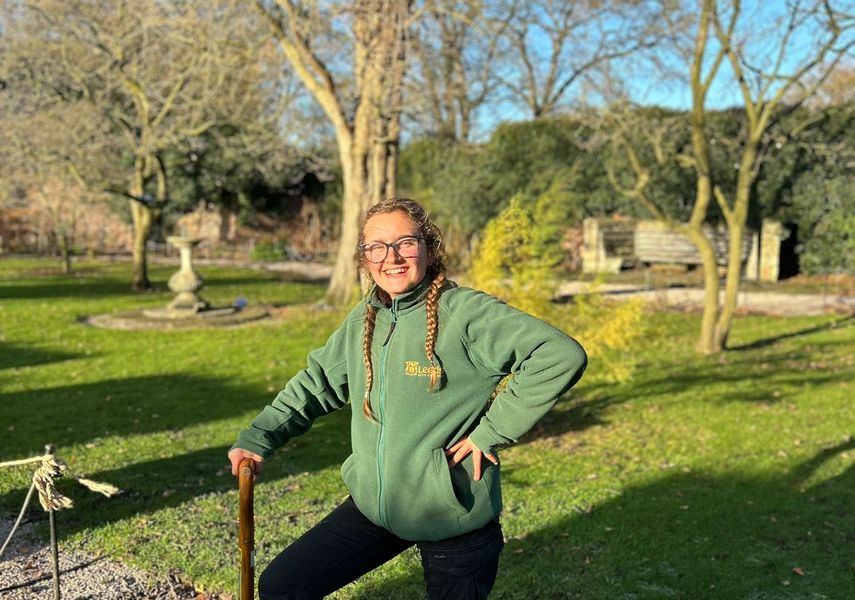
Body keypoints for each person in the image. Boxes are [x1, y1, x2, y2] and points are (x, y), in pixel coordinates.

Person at [228, 197, 587, 599]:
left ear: (429, 248)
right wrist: (260, 437)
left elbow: (558, 355)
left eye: (406, 243)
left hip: (454, 517)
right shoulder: (366, 316)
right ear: (364, 258)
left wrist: (492, 432)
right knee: (283, 585)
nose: (391, 257)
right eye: (376, 247)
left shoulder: (465, 313)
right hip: (378, 508)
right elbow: (317, 384)